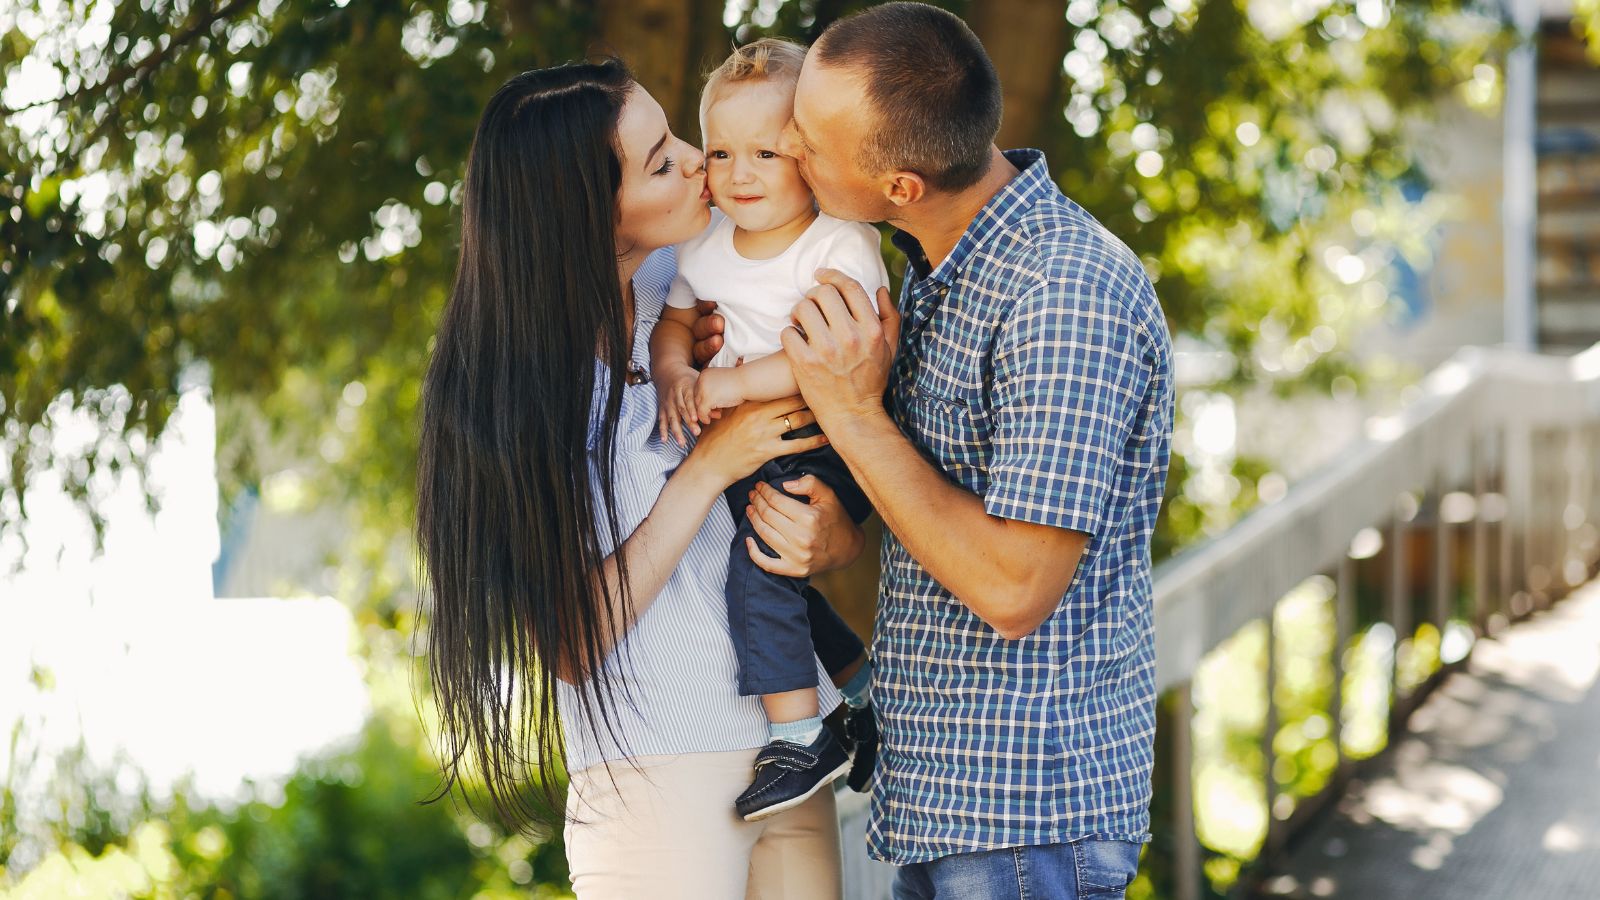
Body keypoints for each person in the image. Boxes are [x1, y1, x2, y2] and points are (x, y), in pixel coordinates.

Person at [693, 4, 1175, 898]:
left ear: (901, 185)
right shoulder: (933, 268)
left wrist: (851, 410)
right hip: (944, 798)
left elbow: (1013, 587)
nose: (786, 149)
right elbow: (926, 500)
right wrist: (837, 533)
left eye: (807, 143)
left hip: (1028, 821)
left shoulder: (1060, 297)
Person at [415, 58, 867, 900]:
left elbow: (819, 444)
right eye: (662, 162)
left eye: (676, 137)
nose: (701, 160)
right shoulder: (516, 392)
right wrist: (706, 469)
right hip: (654, 778)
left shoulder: (700, 286)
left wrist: (832, 531)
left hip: (789, 749)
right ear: (585, 214)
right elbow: (572, 644)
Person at [650, 37, 888, 822]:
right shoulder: (705, 245)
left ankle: (799, 737)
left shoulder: (836, 245)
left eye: (764, 152)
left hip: (819, 440)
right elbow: (673, 323)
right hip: (753, 442)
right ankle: (858, 692)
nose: (738, 174)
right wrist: (676, 373)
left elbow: (819, 360)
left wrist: (729, 384)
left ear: (808, 157)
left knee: (760, 572)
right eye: (720, 153)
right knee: (757, 572)